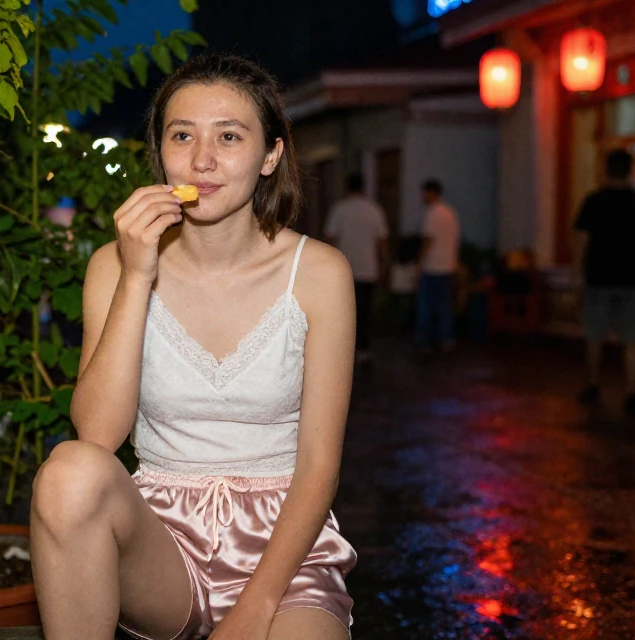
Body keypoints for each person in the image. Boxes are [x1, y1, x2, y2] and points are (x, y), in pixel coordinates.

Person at [30, 54, 357, 640]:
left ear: (270, 156)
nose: (202, 160)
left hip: (284, 549)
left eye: (229, 137)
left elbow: (319, 466)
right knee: (68, 473)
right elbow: (98, 436)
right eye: (182, 136)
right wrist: (137, 275)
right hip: (162, 544)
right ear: (160, 153)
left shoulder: (320, 274)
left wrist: (254, 609)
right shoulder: (114, 265)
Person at [572, 149, 635, 416]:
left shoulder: (593, 202)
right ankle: (632, 391)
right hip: (630, 278)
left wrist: (576, 276)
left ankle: (593, 383)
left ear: (606, 170)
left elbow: (581, 241)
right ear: (630, 171)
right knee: (631, 339)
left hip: (598, 277)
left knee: (594, 336)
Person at [324, 173, 389, 366]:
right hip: (368, 268)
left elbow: (329, 238)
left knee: (343, 311)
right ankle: (364, 349)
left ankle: (345, 349)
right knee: (364, 311)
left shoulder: (340, 209)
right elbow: (382, 241)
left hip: (344, 269)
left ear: (346, 187)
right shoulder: (374, 210)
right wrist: (384, 264)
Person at [415, 179, 460, 353]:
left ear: (431, 193)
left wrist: (419, 263)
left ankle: (424, 340)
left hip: (432, 266)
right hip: (448, 265)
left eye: (424, 193)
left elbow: (428, 240)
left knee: (425, 305)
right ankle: (446, 338)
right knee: (444, 305)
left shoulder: (431, 213)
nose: (422, 197)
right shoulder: (450, 213)